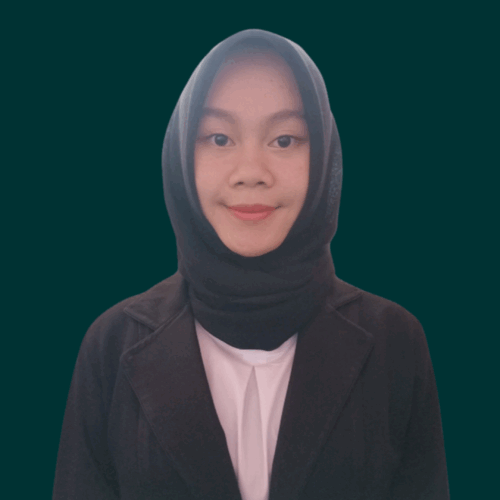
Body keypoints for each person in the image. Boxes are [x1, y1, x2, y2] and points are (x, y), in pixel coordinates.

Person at [53, 29, 449, 500]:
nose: (251, 173)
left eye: (284, 139)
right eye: (219, 138)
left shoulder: (395, 342)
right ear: (181, 156)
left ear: (324, 156)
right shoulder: (111, 346)